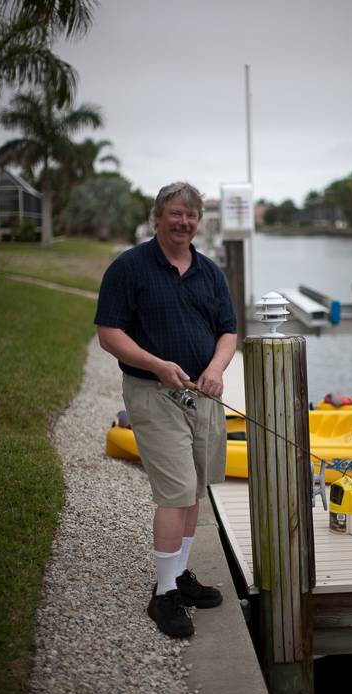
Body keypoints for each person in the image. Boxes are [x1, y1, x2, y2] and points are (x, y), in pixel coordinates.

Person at [95, 182, 237, 638]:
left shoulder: (210, 272)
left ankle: (178, 576)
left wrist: (216, 368)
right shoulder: (129, 267)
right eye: (175, 214)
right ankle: (163, 594)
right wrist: (157, 365)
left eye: (191, 217)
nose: (184, 223)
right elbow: (109, 333)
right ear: (158, 217)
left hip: (203, 394)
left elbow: (228, 332)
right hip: (154, 394)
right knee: (176, 491)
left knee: (195, 488)